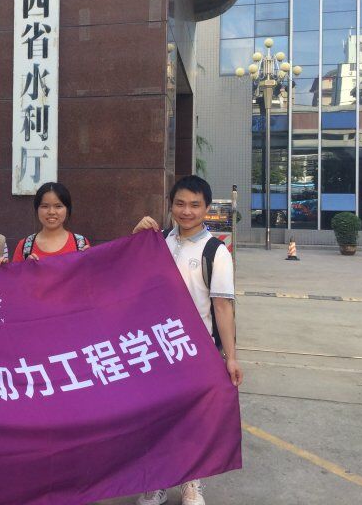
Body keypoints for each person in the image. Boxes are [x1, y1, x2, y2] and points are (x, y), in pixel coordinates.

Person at [132, 174, 243, 505]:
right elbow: (129, 279)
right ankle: (157, 481)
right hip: (155, 348)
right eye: (180, 203)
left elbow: (222, 307)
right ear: (170, 205)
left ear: (206, 208)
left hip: (195, 350)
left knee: (192, 419)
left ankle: (191, 483)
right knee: (156, 418)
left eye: (195, 205)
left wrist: (231, 357)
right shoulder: (158, 241)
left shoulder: (215, 252)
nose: (187, 211)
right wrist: (136, 238)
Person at [12, 181, 91, 261]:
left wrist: (87, 263)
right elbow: (15, 269)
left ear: (67, 209)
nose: (51, 212)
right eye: (45, 206)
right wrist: (26, 267)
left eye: (58, 206)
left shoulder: (80, 244)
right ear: (37, 209)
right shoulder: (25, 246)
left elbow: (90, 269)